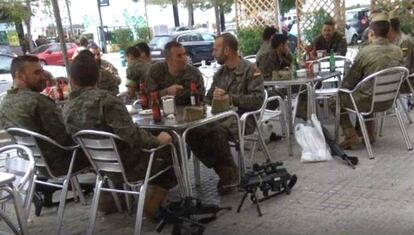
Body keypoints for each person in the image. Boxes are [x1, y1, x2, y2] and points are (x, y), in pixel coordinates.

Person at [62, 53, 177, 218]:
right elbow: (132, 136)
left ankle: (111, 198)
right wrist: (158, 140)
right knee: (174, 145)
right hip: (129, 166)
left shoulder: (67, 108)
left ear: (72, 80)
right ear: (98, 76)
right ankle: (153, 201)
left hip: (100, 167)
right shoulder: (107, 101)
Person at [187, 33, 265, 195]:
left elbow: (257, 100)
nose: (213, 53)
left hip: (243, 119)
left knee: (215, 133)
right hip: (219, 118)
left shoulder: (250, 70)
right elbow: (208, 99)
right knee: (191, 132)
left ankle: (229, 174)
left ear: (227, 50)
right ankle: (225, 169)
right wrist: (210, 100)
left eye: (216, 49)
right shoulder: (220, 73)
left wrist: (231, 98)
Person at [0, 55, 90, 177]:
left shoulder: (5, 102)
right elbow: (65, 138)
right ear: (19, 75)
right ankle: (109, 192)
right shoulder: (38, 102)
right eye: (37, 73)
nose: (43, 77)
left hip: (32, 163)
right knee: (104, 150)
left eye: (42, 72)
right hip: (59, 164)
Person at [337, 12, 403, 149]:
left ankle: (351, 136)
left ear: (371, 33)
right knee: (368, 90)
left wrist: (341, 89)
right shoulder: (398, 51)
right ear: (388, 31)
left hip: (368, 102)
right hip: (389, 101)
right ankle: (368, 133)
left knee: (337, 98)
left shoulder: (365, 52)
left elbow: (349, 82)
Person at [146, 41, 205, 105]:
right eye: (179, 56)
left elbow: (201, 97)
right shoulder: (156, 71)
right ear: (168, 59)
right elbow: (148, 97)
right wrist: (167, 92)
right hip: (163, 111)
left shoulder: (194, 73)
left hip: (188, 110)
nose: (184, 59)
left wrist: (182, 93)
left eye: (184, 54)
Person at [388, 10, 414, 93]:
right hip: (395, 81)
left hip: (406, 83)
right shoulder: (391, 40)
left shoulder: (404, 41)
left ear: (390, 27)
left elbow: (404, 67)